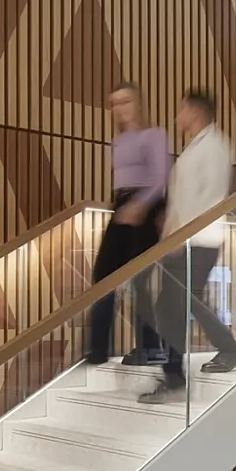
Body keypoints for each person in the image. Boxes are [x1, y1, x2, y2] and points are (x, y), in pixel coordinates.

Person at [140, 90, 236, 404]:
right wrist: (169, 232)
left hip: (199, 239)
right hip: (184, 239)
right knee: (176, 303)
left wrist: (180, 235)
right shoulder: (195, 147)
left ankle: (178, 377)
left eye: (181, 109)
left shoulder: (214, 147)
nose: (177, 116)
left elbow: (210, 197)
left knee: (178, 302)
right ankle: (196, 365)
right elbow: (182, 199)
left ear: (195, 111)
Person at [86, 82, 171, 366]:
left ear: (138, 104)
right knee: (103, 276)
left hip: (146, 207)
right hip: (121, 205)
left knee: (139, 281)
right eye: (114, 103)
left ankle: (150, 348)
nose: (119, 108)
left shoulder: (154, 135)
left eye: (125, 101)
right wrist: (121, 206)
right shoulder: (118, 140)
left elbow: (160, 177)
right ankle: (97, 349)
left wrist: (141, 205)